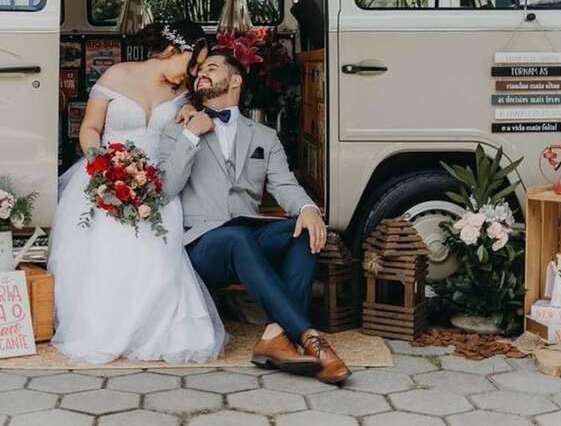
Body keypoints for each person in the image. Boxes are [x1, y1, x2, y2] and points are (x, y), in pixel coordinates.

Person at [156, 51, 350, 384]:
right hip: (202, 243)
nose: (201, 73)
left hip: (248, 234)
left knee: (302, 230)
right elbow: (165, 189)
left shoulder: (264, 136)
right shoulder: (178, 129)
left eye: (211, 69)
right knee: (235, 236)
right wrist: (191, 136)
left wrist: (306, 209)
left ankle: (275, 335)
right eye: (199, 70)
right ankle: (309, 338)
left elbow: (285, 184)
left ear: (235, 81)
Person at [48, 22, 227, 364]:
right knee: (104, 250)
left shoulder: (184, 96)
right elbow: (90, 128)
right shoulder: (116, 75)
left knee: (157, 256)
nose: (193, 74)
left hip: (155, 186)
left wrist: (190, 113)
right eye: (192, 64)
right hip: (105, 175)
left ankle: (153, 328)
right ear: (174, 51)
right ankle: (103, 327)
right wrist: (100, 167)